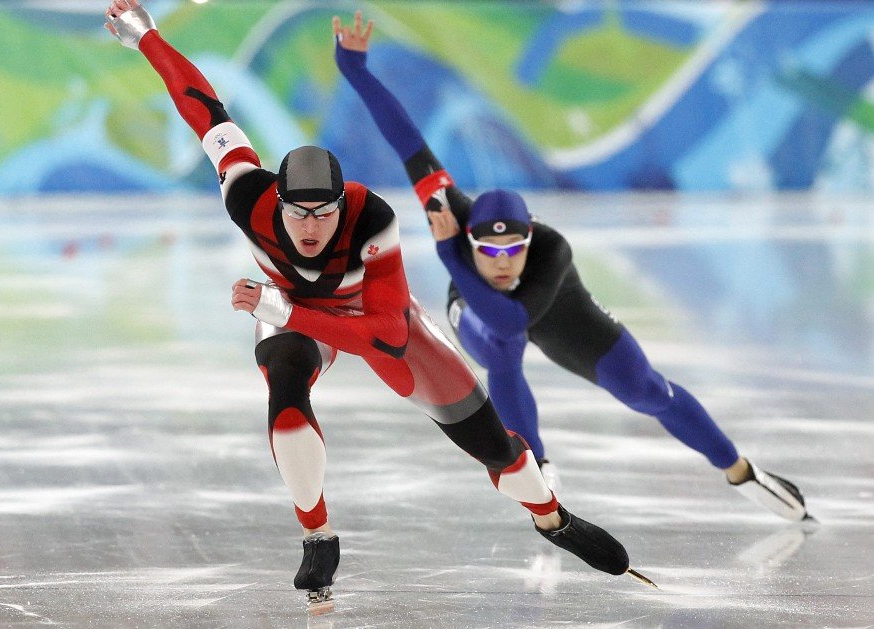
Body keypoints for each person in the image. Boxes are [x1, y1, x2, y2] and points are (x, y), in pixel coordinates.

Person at [103, 0, 653, 608]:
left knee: (495, 446)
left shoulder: (372, 220)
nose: (311, 227)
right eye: (298, 213)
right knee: (285, 395)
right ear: (277, 202)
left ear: (343, 206)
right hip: (292, 311)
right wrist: (147, 36)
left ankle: (552, 518)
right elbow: (202, 106)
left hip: (370, 314)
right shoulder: (244, 192)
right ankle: (318, 536)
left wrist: (284, 312)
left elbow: (387, 335)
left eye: (324, 213)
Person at [332, 11, 811, 524]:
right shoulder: (447, 206)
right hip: (472, 302)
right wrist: (357, 71)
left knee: (647, 390)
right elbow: (407, 138)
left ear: (530, 239)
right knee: (501, 348)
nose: (501, 262)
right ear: (471, 235)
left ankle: (742, 470)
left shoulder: (552, 251)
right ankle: (535, 468)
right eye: (487, 251)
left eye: (513, 249)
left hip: (551, 307)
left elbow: (513, 317)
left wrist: (451, 252)